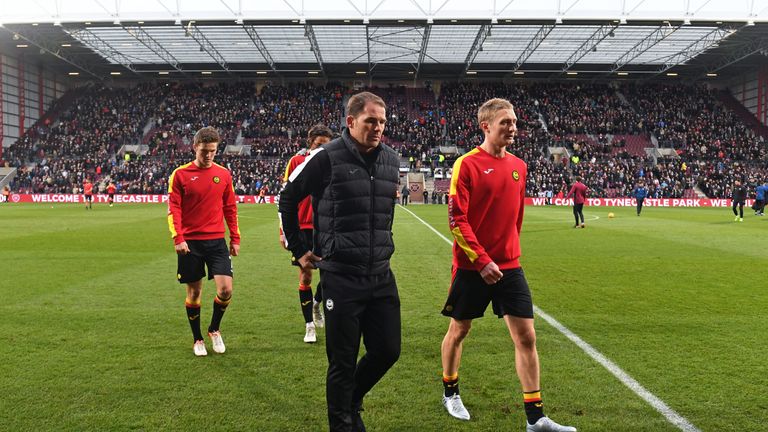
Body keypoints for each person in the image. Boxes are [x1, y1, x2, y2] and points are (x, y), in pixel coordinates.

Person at [440, 98, 576, 432]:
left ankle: (536, 418)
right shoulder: (466, 164)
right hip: (472, 266)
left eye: (514, 122)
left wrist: (509, 252)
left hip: (510, 267)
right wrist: (481, 259)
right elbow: (457, 220)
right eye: (505, 122)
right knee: (460, 330)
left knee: (527, 337)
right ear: (485, 126)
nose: (513, 127)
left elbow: (516, 218)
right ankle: (450, 392)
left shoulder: (519, 166)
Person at [279, 92, 401, 432]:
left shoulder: (391, 160)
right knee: (342, 362)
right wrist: (298, 249)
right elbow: (287, 198)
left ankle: (350, 400)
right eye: (370, 121)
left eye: (382, 122)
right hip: (341, 276)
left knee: (388, 351)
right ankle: (343, 423)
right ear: (350, 121)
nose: (378, 127)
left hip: (381, 273)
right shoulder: (326, 157)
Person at [167, 126, 240, 357]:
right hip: (190, 243)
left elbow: (230, 207)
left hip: (217, 241)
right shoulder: (180, 175)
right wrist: (178, 237)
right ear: (194, 147)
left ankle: (214, 329)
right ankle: (197, 338)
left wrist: (235, 237)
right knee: (194, 293)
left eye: (213, 151)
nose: (208, 155)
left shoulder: (224, 174)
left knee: (226, 290)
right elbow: (174, 209)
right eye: (204, 151)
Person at [280, 124, 333, 343]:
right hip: (302, 226)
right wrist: (283, 231)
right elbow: (285, 197)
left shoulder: (331, 161)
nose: (322, 149)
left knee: (330, 274)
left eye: (326, 146)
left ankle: (316, 303)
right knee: (306, 274)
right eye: (319, 145)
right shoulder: (296, 161)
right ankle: (309, 325)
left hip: (326, 226)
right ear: (310, 143)